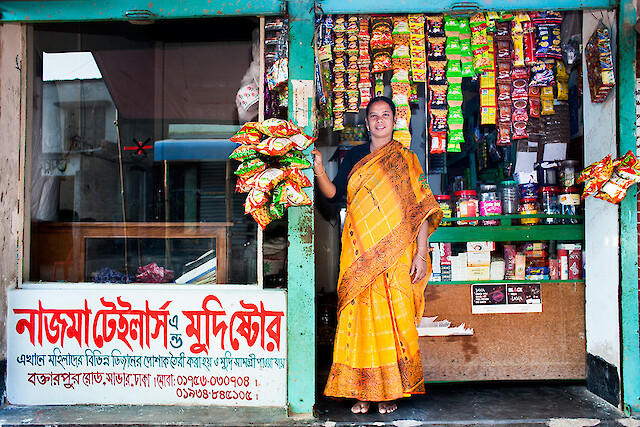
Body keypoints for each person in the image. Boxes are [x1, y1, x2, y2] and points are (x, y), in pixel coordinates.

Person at [312, 96, 443, 415]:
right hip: (359, 253)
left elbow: (422, 210)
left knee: (393, 320)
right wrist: (317, 167)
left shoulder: (407, 159)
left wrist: (421, 255)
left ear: (394, 120)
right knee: (358, 321)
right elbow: (333, 194)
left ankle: (390, 392)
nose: (380, 120)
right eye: (374, 116)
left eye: (385, 115)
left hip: (396, 255)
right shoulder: (355, 156)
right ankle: (363, 393)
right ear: (367, 122)